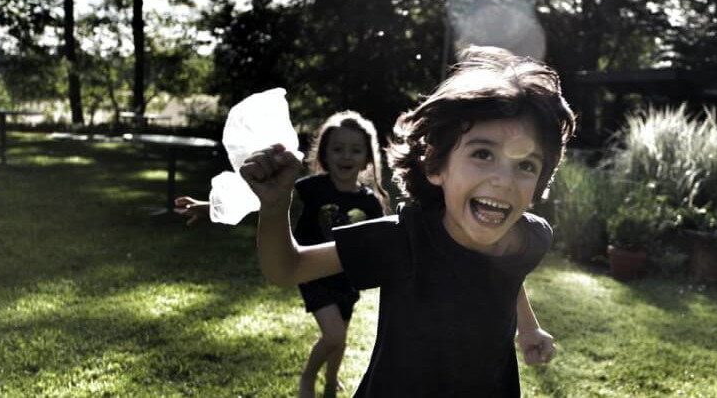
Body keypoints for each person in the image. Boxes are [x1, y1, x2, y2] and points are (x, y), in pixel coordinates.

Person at [240, 46, 572, 397]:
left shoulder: (530, 238)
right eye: (482, 154)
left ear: (539, 184)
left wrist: (529, 328)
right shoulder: (403, 240)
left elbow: (506, 276)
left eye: (525, 165)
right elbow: (286, 269)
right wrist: (275, 208)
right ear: (434, 166)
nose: (504, 180)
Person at [176, 110, 390, 398]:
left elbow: (378, 241)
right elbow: (260, 198)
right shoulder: (311, 188)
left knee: (340, 339)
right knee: (334, 334)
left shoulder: (370, 202)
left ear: (367, 158)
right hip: (313, 274)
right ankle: (308, 378)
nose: (346, 156)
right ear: (324, 154)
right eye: (337, 149)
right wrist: (207, 207)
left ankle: (331, 381)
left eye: (355, 150)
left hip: (345, 279)